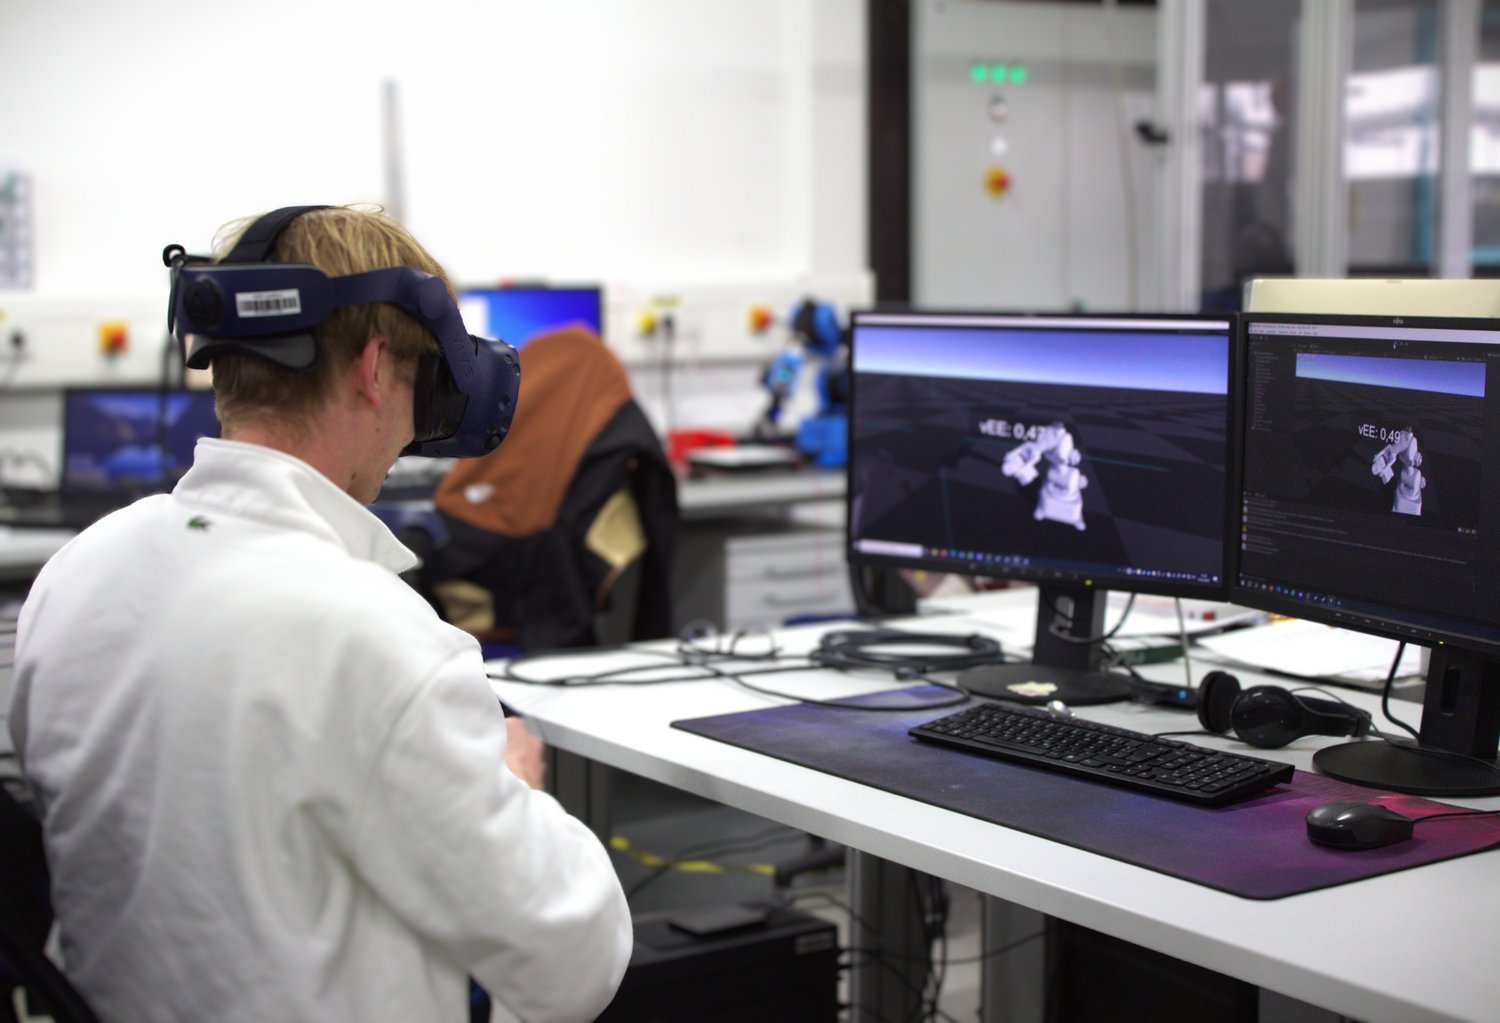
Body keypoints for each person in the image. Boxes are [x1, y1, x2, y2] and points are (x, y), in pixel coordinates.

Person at [9, 205, 632, 1022]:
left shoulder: (74, 574)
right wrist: (513, 785)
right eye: (423, 377)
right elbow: (577, 961)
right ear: (374, 368)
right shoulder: (376, 638)